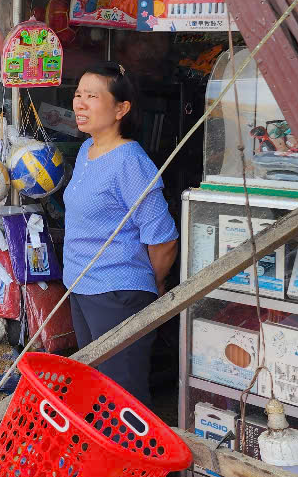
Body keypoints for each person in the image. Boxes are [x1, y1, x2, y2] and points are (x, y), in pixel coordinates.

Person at [63, 61, 179, 406]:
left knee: (121, 395)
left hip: (117, 293)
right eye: (78, 94)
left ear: (120, 109)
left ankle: (135, 445)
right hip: (81, 286)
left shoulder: (130, 161)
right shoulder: (86, 150)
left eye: (92, 96)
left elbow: (163, 238)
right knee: (94, 386)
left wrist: (153, 284)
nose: (80, 103)